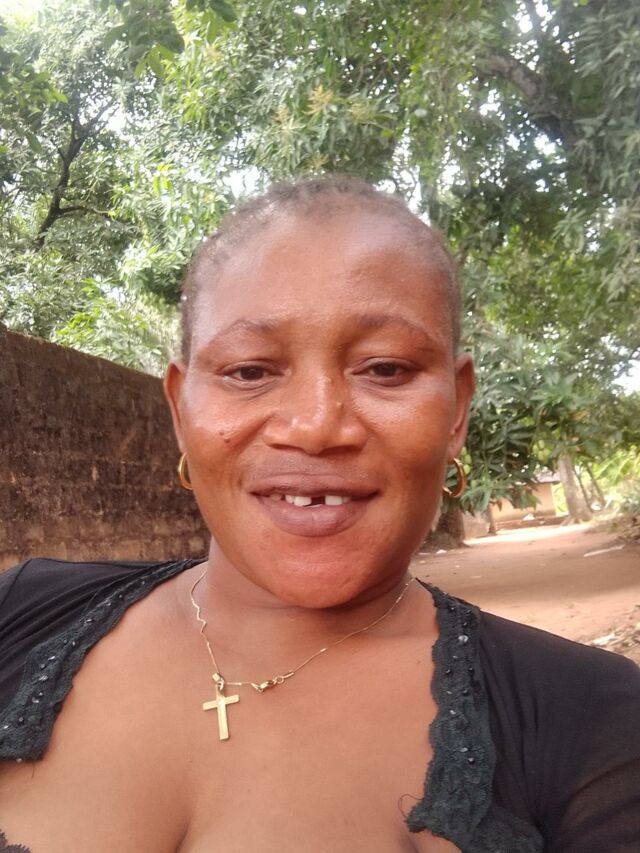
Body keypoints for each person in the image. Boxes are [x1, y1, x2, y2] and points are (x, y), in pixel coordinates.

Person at [0, 176, 638, 853]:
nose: (315, 426)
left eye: (384, 368)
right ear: (181, 410)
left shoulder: (594, 721)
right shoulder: (20, 612)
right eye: (249, 371)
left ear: (456, 409)